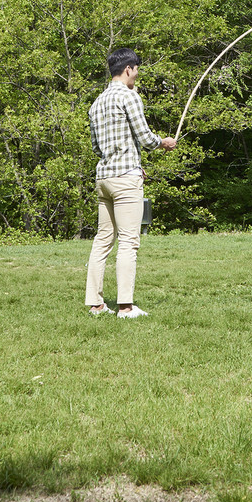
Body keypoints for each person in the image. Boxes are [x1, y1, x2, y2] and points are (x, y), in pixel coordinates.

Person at [84, 49, 176, 319]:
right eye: (136, 70)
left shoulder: (97, 102)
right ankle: (125, 306)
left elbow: (96, 147)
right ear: (128, 69)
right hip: (125, 179)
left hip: (104, 178)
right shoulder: (129, 95)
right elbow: (145, 137)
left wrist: (132, 164)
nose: (137, 75)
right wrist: (164, 142)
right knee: (128, 241)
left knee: (103, 240)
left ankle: (96, 304)